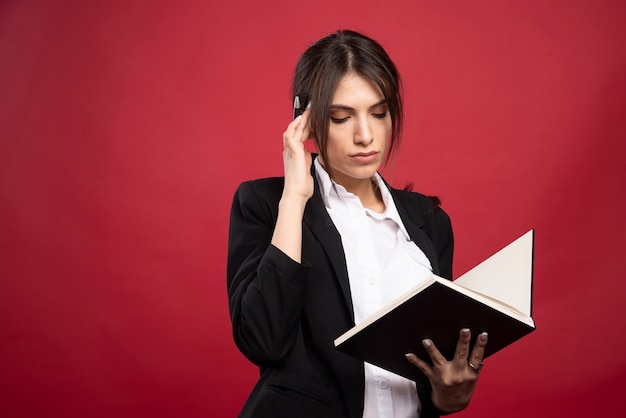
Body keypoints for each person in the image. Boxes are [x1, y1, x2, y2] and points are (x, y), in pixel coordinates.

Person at [227, 30, 488, 418]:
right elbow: (262, 340)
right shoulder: (267, 205)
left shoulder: (430, 223)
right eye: (340, 117)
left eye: (379, 114)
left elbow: (434, 365)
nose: (365, 135)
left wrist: (448, 397)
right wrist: (295, 198)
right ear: (306, 121)